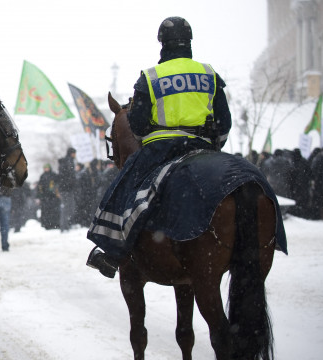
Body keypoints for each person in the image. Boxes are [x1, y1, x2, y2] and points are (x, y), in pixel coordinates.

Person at [86, 16, 232, 278]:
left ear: (162, 44)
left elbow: (139, 126)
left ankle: (110, 252)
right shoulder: (210, 74)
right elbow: (224, 122)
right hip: (204, 148)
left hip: (162, 150)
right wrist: (212, 148)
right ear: (189, 42)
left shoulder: (151, 77)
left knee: (124, 185)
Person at [57, 147, 77, 232]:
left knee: (66, 207)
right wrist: (71, 183)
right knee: (67, 208)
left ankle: (65, 225)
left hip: (64, 187)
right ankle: (65, 226)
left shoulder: (65, 161)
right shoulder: (69, 161)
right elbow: (69, 175)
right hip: (67, 188)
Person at [37, 163, 61, 230]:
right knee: (46, 212)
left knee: (54, 211)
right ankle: (47, 224)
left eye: (47, 168)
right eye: (45, 168)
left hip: (53, 197)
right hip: (45, 197)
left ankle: (55, 224)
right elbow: (40, 187)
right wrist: (39, 196)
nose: (46, 169)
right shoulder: (42, 176)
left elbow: (57, 184)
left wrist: (55, 191)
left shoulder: (53, 175)